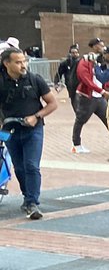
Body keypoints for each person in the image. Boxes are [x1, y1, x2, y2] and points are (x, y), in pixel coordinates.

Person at [0, 47, 59, 219]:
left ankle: (33, 202)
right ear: (6, 64)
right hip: (10, 131)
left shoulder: (34, 80)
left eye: (24, 61)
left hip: (33, 130)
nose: (23, 65)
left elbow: (52, 103)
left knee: (32, 165)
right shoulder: (1, 82)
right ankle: (27, 197)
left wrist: (36, 116)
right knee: (19, 167)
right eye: (18, 62)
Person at [70, 43, 109, 154]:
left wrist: (107, 87)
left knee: (108, 118)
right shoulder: (84, 61)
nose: (102, 47)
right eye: (100, 45)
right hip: (87, 96)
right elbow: (86, 80)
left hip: (99, 97)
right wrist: (102, 91)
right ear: (94, 47)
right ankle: (76, 144)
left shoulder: (101, 60)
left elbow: (104, 76)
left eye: (103, 45)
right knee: (81, 120)